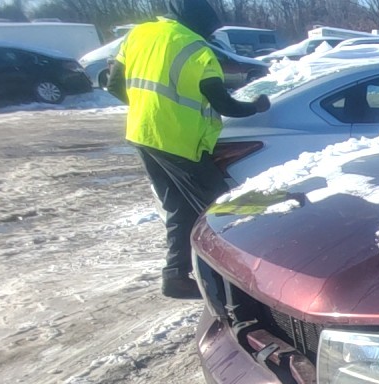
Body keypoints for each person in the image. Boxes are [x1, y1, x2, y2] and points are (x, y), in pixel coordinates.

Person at [106, 0, 270, 299]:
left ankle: (175, 277)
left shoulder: (140, 34)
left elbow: (113, 84)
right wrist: (257, 105)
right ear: (200, 23)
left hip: (144, 134)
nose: (211, 35)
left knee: (179, 207)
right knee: (219, 211)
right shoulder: (197, 50)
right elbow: (226, 105)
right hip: (180, 142)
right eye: (210, 29)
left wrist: (150, 109)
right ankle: (237, 285)